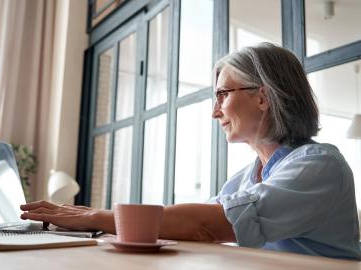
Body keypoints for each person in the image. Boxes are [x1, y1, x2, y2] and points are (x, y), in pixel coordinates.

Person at [21, 43, 361, 260]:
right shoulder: (248, 177)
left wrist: (96, 217)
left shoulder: (320, 165)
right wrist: (95, 220)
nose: (215, 112)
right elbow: (194, 224)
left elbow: (211, 225)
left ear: (263, 96)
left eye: (222, 95)